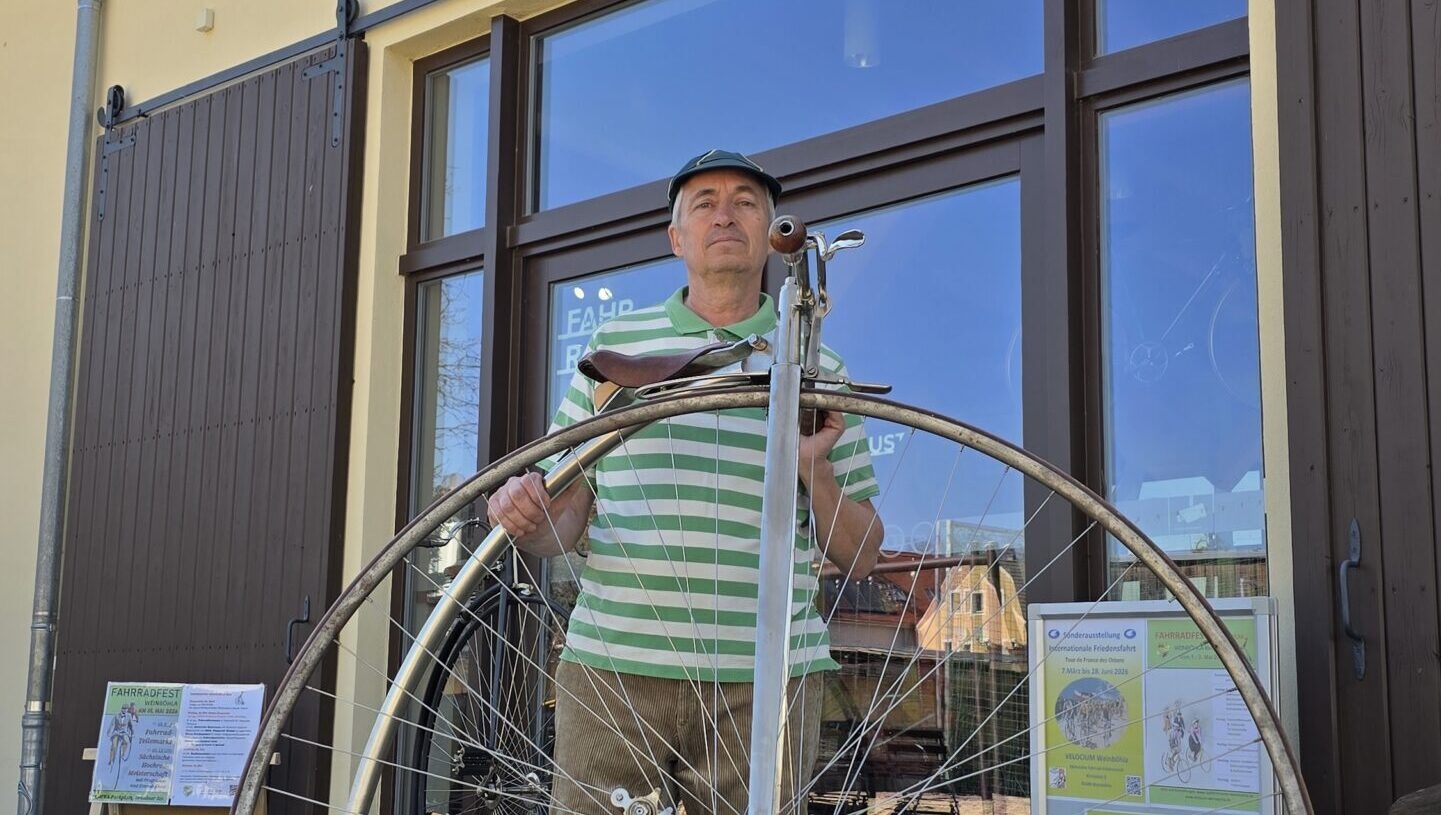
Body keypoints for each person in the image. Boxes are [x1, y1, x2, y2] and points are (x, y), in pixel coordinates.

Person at [487, 149, 884, 815]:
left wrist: (812, 464)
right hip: (613, 665)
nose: (724, 214)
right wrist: (529, 516)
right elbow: (567, 517)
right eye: (703, 203)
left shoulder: (818, 365)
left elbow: (862, 552)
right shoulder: (618, 348)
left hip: (763, 676)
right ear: (676, 238)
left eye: (745, 201)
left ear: (769, 232)